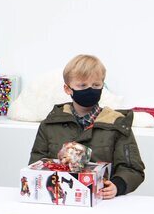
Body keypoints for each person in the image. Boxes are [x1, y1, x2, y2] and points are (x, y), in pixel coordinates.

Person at [29, 54, 144, 199]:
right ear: (68, 89)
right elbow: (36, 164)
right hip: (58, 200)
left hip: (101, 202)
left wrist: (118, 185)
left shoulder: (117, 124)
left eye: (96, 85)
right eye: (82, 85)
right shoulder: (50, 124)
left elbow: (133, 169)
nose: (90, 90)